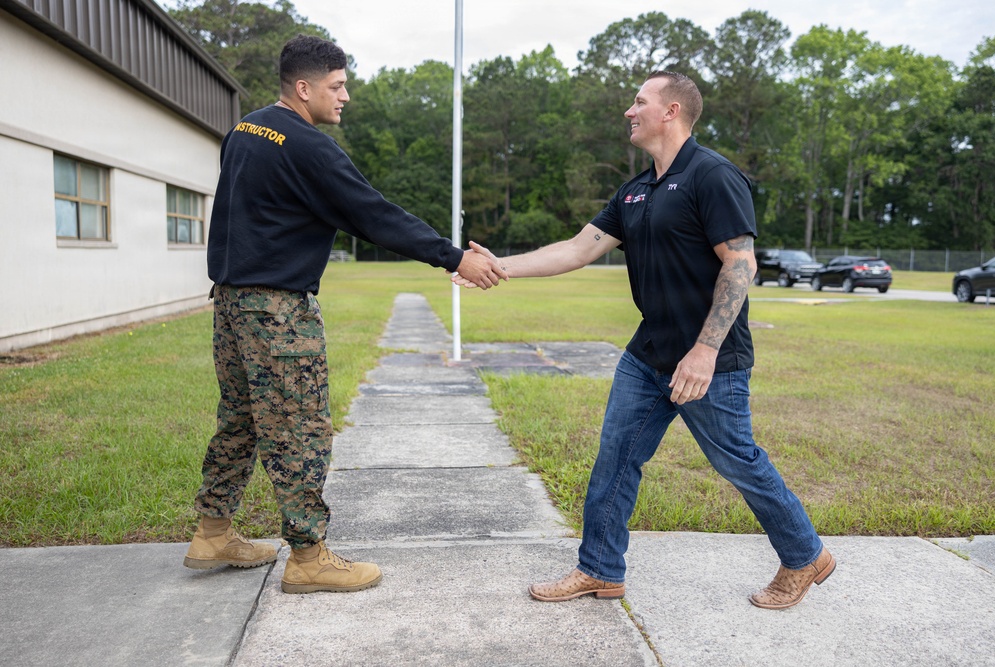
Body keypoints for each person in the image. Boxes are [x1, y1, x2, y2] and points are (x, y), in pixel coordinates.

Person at [456, 71, 834, 610]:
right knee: (616, 456)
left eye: (639, 102)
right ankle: (600, 570)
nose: (629, 112)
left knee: (737, 462)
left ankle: (805, 556)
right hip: (647, 354)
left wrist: (704, 351)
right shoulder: (635, 189)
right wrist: (498, 267)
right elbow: (576, 249)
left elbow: (740, 264)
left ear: (672, 110)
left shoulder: (713, 176)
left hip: (710, 359)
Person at [183, 34, 506, 594]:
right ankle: (308, 558)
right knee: (298, 429)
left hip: (231, 304)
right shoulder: (308, 147)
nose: (346, 96)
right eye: (337, 86)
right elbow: (373, 214)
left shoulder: (244, 131)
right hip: (277, 311)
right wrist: (454, 257)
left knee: (239, 418)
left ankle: (213, 530)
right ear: (303, 88)